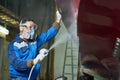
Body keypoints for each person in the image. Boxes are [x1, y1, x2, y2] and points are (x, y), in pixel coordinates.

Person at [7, 10, 61, 80]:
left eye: (34, 27)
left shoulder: (34, 41)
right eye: (30, 27)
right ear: (21, 28)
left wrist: (58, 21)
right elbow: (16, 63)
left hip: (32, 78)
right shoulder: (14, 45)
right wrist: (33, 61)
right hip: (19, 78)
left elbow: (47, 35)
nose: (32, 30)